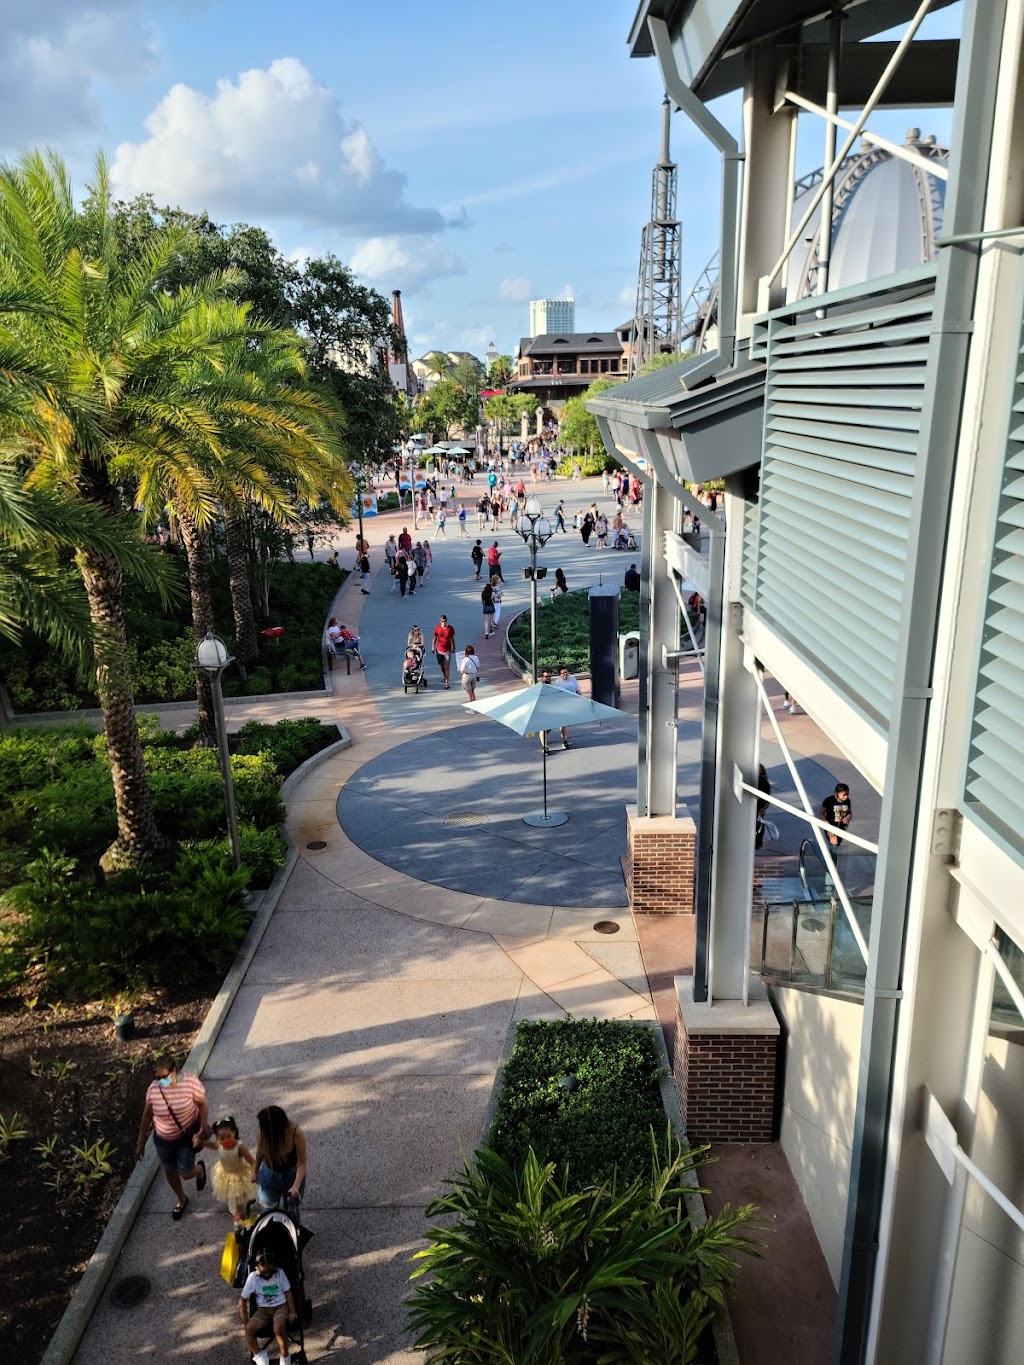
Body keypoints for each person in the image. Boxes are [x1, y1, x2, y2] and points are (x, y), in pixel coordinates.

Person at [135, 1057, 210, 1220]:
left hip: (185, 1138)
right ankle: (181, 1199)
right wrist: (141, 1142)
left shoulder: (190, 1082)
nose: (161, 1081)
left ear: (174, 1071)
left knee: (185, 1172)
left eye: (164, 1076)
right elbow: (147, 1116)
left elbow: (203, 1103)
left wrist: (203, 1126)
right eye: (158, 1078)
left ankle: (199, 1170)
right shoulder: (154, 1089)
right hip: (163, 1140)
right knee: (169, 1170)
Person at [239, 1249, 297, 1365]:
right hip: (263, 1310)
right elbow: (242, 1300)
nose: (267, 1275)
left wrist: (292, 1311)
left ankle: (285, 1356)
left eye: (269, 1272)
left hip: (280, 1306)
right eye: (263, 1272)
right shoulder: (253, 1278)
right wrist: (246, 1322)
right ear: (256, 1267)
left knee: (278, 1327)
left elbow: (288, 1293)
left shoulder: (280, 1273)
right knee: (248, 1330)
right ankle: (259, 1355)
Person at [203, 1116, 257, 1224]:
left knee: (240, 1199)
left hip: (240, 1175)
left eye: (228, 1136)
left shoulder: (240, 1147)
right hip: (226, 1175)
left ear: (234, 1132)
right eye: (222, 1138)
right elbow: (213, 1146)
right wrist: (201, 1142)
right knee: (232, 1195)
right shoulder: (219, 1145)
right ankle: (239, 1212)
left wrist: (254, 1173)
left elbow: (252, 1161)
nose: (226, 1140)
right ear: (217, 1139)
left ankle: (242, 1219)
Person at [254, 1105, 307, 1211]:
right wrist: (255, 1172)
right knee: (269, 1213)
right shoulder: (263, 1134)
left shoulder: (296, 1134)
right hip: (269, 1176)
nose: (261, 1130)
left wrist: (296, 1186)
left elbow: (301, 1164)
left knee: (292, 1212)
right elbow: (259, 1153)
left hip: (292, 1176)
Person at [819, 783, 853, 861]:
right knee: (834, 845)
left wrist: (848, 817)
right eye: (843, 795)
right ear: (837, 793)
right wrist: (827, 827)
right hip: (831, 827)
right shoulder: (829, 801)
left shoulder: (847, 801)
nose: (846, 797)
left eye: (847, 794)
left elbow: (849, 813)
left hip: (841, 828)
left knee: (838, 847)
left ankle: (835, 863)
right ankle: (832, 865)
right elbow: (821, 813)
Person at [553, 664, 581, 749]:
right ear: (559, 675)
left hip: (572, 704)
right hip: (562, 705)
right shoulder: (557, 682)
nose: (565, 675)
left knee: (566, 723)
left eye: (566, 672)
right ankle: (565, 740)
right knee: (564, 723)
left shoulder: (572, 679)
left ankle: (563, 735)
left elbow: (577, 690)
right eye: (563, 673)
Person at [432, 614, 456, 689]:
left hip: (447, 651)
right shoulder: (437, 628)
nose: (444, 623)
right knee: (442, 666)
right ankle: (444, 676)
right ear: (440, 621)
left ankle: (446, 683)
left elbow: (452, 638)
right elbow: (434, 638)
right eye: (442, 621)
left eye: (445, 621)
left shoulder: (450, 628)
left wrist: (454, 646)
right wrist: (432, 647)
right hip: (439, 650)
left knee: (447, 667)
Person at [755, 764, 771, 850]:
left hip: (757, 811)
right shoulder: (765, 783)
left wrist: (763, 808)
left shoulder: (765, 784)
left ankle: (756, 843)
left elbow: (767, 800)